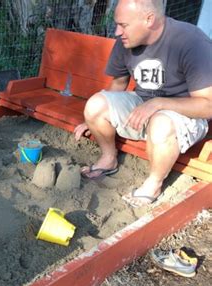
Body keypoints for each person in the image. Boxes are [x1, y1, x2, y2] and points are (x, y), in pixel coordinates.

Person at [74, 0, 212, 207]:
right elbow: (119, 83)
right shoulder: (125, 41)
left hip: (187, 114)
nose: (117, 32)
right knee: (95, 105)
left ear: (149, 19)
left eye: (124, 25)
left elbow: (207, 105)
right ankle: (108, 158)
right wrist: (92, 120)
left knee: (161, 123)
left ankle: (154, 183)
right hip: (143, 104)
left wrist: (158, 104)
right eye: (117, 24)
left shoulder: (191, 41)